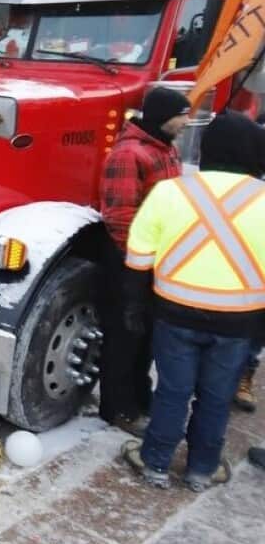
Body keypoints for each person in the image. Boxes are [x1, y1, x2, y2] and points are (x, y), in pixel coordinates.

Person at [120, 112, 265, 492]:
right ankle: (202, 468)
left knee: (172, 391)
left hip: (175, 316)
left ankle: (154, 462)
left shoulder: (170, 191)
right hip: (238, 323)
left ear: (205, 149)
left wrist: (135, 304)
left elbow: (138, 254)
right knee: (216, 397)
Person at [96, 87, 189, 436]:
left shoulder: (166, 149)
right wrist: (137, 264)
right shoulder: (129, 154)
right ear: (164, 115)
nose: (186, 121)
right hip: (130, 261)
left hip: (153, 259)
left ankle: (138, 397)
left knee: (145, 335)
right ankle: (116, 408)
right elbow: (119, 217)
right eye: (182, 114)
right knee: (123, 337)